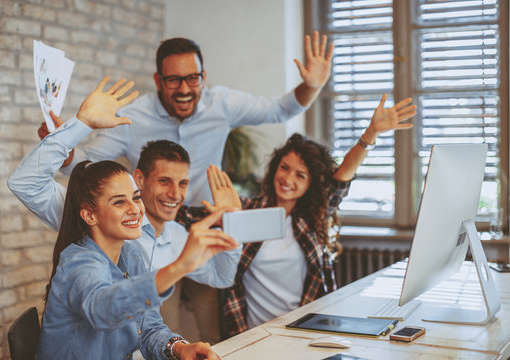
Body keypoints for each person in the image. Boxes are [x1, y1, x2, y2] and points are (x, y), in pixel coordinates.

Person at [8, 77, 241, 343]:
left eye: (183, 183)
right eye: (164, 181)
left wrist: (232, 219)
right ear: (140, 179)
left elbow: (221, 277)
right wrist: (81, 124)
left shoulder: (172, 237)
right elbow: (27, 183)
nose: (175, 194)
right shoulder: (84, 253)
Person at [178, 94, 417, 337]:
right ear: (275, 168)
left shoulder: (312, 218)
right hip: (251, 334)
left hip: (305, 330)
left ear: (311, 183)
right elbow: (185, 216)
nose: (288, 179)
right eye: (284, 168)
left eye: (300, 175)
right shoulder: (247, 209)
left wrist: (370, 134)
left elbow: (344, 174)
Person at [43, 32, 334, 206]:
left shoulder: (222, 103)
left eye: (192, 78)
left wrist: (312, 86)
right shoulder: (131, 117)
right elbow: (86, 165)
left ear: (203, 77)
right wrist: (64, 148)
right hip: (153, 233)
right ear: (158, 80)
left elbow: (280, 110)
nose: (184, 89)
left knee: (209, 311)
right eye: (173, 80)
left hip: (206, 225)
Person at [36, 159, 237, 359]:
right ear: (90, 216)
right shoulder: (78, 263)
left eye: (136, 197)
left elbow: (148, 328)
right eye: (119, 202)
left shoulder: (130, 256)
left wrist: (180, 348)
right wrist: (181, 266)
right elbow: (104, 310)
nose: (135, 209)